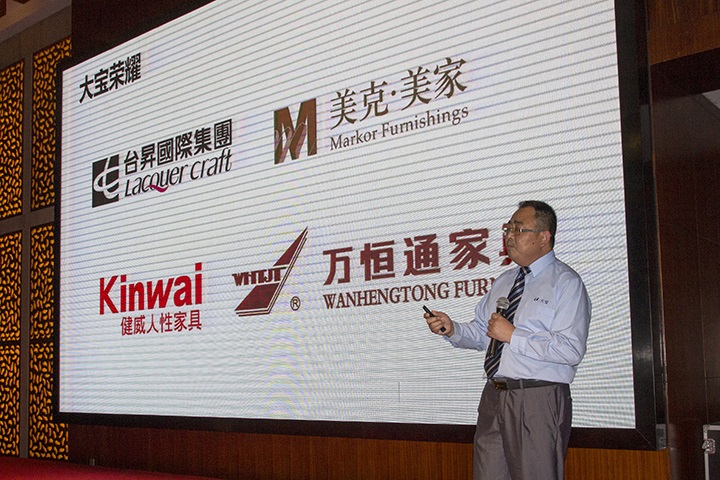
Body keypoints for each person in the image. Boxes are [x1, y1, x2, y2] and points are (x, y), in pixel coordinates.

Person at [425, 200, 591, 480]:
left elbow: (570, 349)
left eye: (518, 229)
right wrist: (452, 329)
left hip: (537, 397)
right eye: (508, 229)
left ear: (544, 237)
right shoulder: (504, 281)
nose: (509, 236)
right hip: (494, 396)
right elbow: (484, 333)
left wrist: (513, 335)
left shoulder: (565, 282)